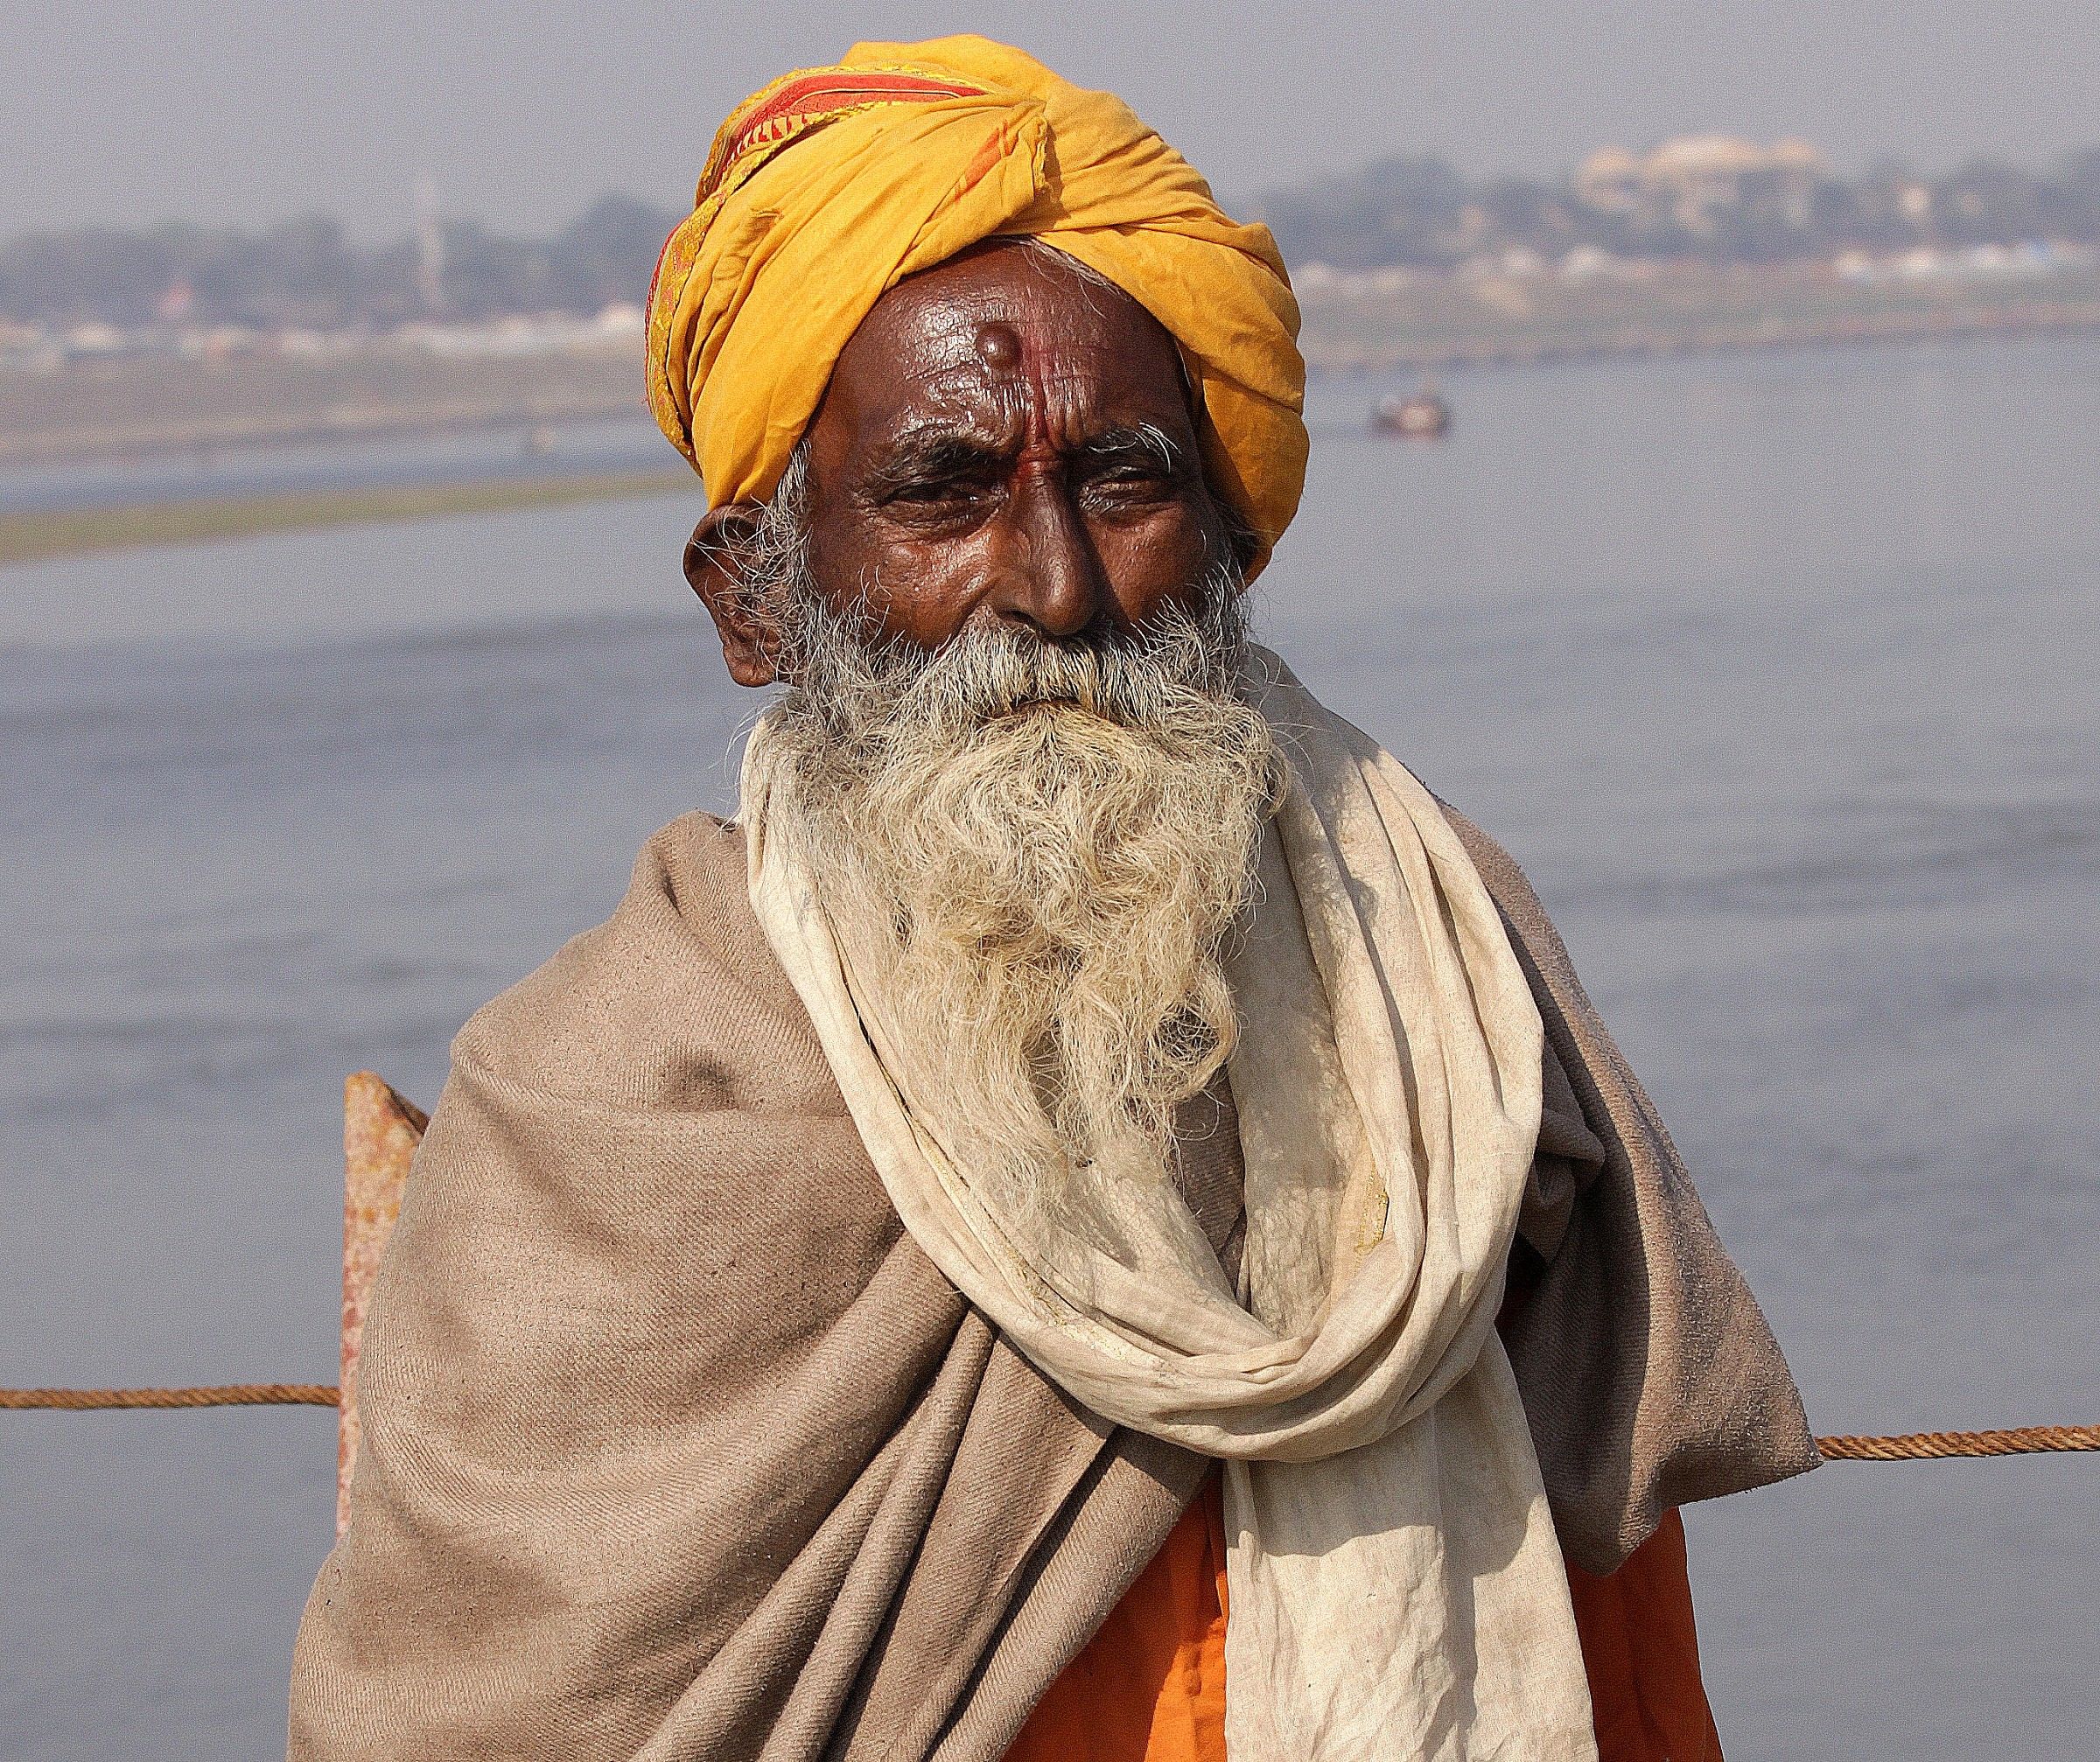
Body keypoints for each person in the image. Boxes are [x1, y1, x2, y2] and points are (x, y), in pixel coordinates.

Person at [289, 36, 1816, 1762]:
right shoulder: (613, 1104)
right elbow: (469, 1703)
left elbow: (1616, 1659)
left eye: (1127, 478)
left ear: (1234, 544)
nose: (1057, 583)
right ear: (754, 601)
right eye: (940, 491)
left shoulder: (1440, 976)